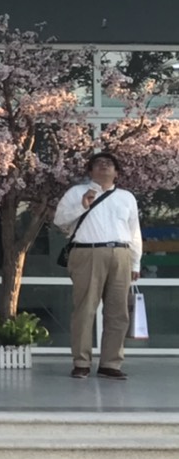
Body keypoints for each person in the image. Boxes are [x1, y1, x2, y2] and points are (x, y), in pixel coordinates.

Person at [53, 152, 143, 381]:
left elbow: (134, 231)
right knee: (85, 309)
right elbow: (59, 220)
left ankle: (110, 363)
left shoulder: (126, 197)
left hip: (121, 253)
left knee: (118, 312)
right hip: (87, 252)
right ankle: (81, 362)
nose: (104, 166)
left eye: (109, 164)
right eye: (98, 164)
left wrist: (135, 261)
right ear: (90, 171)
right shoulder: (76, 193)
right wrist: (82, 206)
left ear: (117, 172)